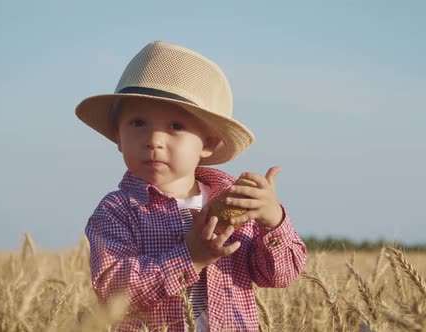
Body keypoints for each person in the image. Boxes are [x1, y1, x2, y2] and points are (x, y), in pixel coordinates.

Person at [76, 40, 307, 331]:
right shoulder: (117, 210)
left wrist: (274, 221)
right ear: (118, 137)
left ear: (208, 143)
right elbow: (113, 292)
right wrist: (190, 257)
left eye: (175, 126)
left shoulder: (235, 203)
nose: (154, 139)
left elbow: (279, 277)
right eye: (137, 123)